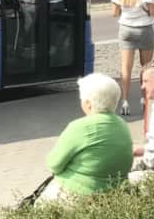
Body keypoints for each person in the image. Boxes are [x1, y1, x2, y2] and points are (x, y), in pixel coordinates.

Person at [37, 73, 133, 203]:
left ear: (88, 104)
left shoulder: (80, 127)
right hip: (115, 192)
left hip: (79, 194)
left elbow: (54, 164)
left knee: (39, 205)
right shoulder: (122, 125)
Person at [104, 0, 154, 116]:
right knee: (146, 67)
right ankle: (145, 100)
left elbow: (115, 14)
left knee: (125, 68)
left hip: (126, 30)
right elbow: (153, 13)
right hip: (145, 30)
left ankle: (125, 102)